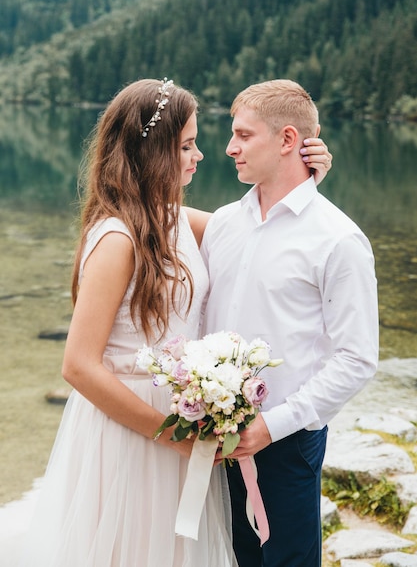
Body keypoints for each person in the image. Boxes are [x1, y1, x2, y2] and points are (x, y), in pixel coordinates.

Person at [16, 78, 331, 567]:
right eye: (186, 145)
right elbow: (78, 365)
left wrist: (303, 181)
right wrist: (176, 436)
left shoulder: (175, 219)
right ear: (152, 153)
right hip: (132, 432)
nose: (202, 155)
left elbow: (259, 231)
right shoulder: (118, 237)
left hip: (181, 422)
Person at [200, 79, 379, 567]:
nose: (229, 147)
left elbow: (357, 359)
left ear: (286, 140)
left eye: (243, 134)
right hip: (213, 441)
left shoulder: (338, 239)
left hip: (287, 443)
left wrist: (271, 426)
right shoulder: (221, 224)